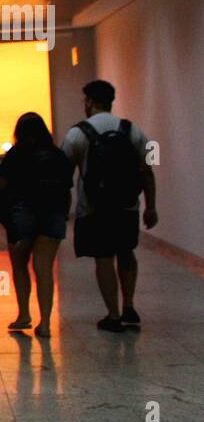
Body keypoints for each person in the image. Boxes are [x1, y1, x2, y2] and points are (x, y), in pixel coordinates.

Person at [60, 80, 158, 333]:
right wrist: (151, 206)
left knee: (103, 258)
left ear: (90, 102)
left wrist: (64, 208)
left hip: (93, 209)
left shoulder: (77, 133)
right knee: (126, 252)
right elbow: (148, 167)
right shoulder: (132, 129)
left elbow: (63, 174)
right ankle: (129, 306)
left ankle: (112, 315)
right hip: (127, 206)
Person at [0, 112, 74, 338]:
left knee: (20, 265)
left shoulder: (17, 153)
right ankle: (46, 323)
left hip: (24, 214)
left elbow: (0, 183)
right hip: (54, 214)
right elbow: (66, 187)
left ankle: (23, 316)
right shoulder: (58, 155)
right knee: (44, 269)